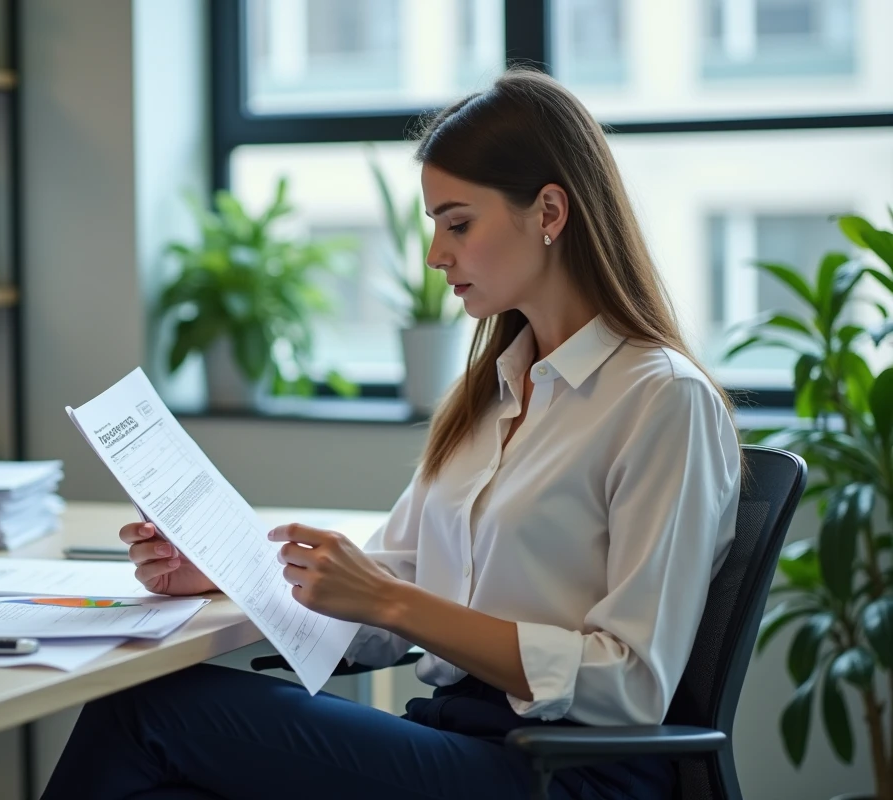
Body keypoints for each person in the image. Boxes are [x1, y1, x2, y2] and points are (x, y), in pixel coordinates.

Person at [41, 67, 742, 800]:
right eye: (435, 225)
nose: (438, 254)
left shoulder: (662, 401)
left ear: (550, 212)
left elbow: (630, 684)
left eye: (458, 222)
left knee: (142, 713)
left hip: (564, 773)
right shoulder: (488, 398)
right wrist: (230, 580)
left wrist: (394, 604)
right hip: (454, 741)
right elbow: (379, 601)